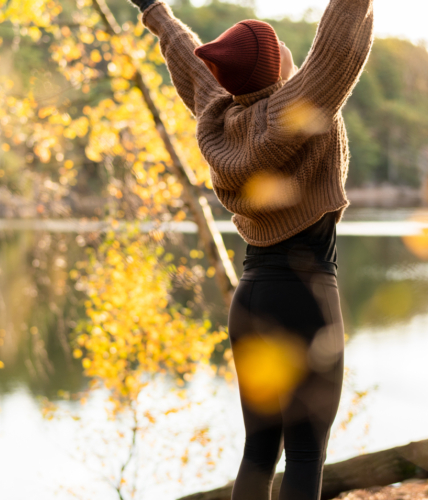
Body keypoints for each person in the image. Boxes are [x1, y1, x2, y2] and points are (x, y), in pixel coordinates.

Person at [124, 0, 375, 499]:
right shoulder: (302, 110)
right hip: (305, 297)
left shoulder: (219, 119)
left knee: (260, 449)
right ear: (275, 65)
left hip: (252, 298)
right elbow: (338, 41)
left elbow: (192, 64)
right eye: (279, 44)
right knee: (306, 453)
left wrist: (154, 10)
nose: (289, 48)